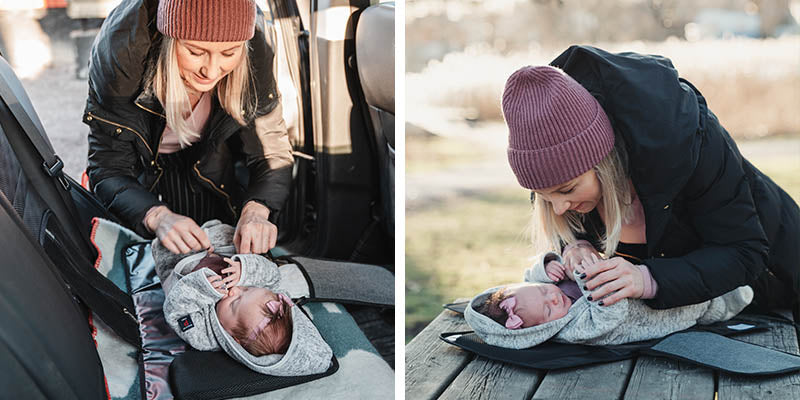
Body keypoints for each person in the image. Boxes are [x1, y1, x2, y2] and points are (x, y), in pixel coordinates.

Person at [501, 45, 800, 312]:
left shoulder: (690, 141)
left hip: (782, 280)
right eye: (543, 195)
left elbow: (743, 251)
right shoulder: (559, 183)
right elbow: (560, 206)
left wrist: (646, 278)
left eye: (567, 189)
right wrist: (575, 246)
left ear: (602, 161)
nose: (558, 208)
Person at [84, 0, 293, 255]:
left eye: (229, 53)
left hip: (211, 162)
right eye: (195, 52)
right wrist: (157, 216)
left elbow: (271, 150)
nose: (212, 70)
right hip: (141, 173)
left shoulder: (255, 51)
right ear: (169, 39)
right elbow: (108, 168)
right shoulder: (122, 62)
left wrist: (257, 210)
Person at [155, 220, 332, 376]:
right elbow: (272, 274)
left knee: (168, 247)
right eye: (248, 289)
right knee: (237, 240)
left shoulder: (204, 336)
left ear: (233, 338)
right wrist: (245, 272)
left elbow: (176, 311)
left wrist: (203, 289)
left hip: (177, 257)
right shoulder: (266, 295)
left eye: (234, 303)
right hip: (218, 242)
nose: (235, 290)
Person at [464, 254, 753, 349]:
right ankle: (740, 297)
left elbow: (532, 272)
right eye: (549, 308)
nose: (553, 296)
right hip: (671, 314)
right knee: (713, 306)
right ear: (537, 331)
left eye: (542, 291)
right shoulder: (575, 331)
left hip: (658, 285)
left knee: (704, 277)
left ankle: (740, 281)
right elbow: (611, 312)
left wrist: (549, 265)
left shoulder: (542, 291)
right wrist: (583, 277)